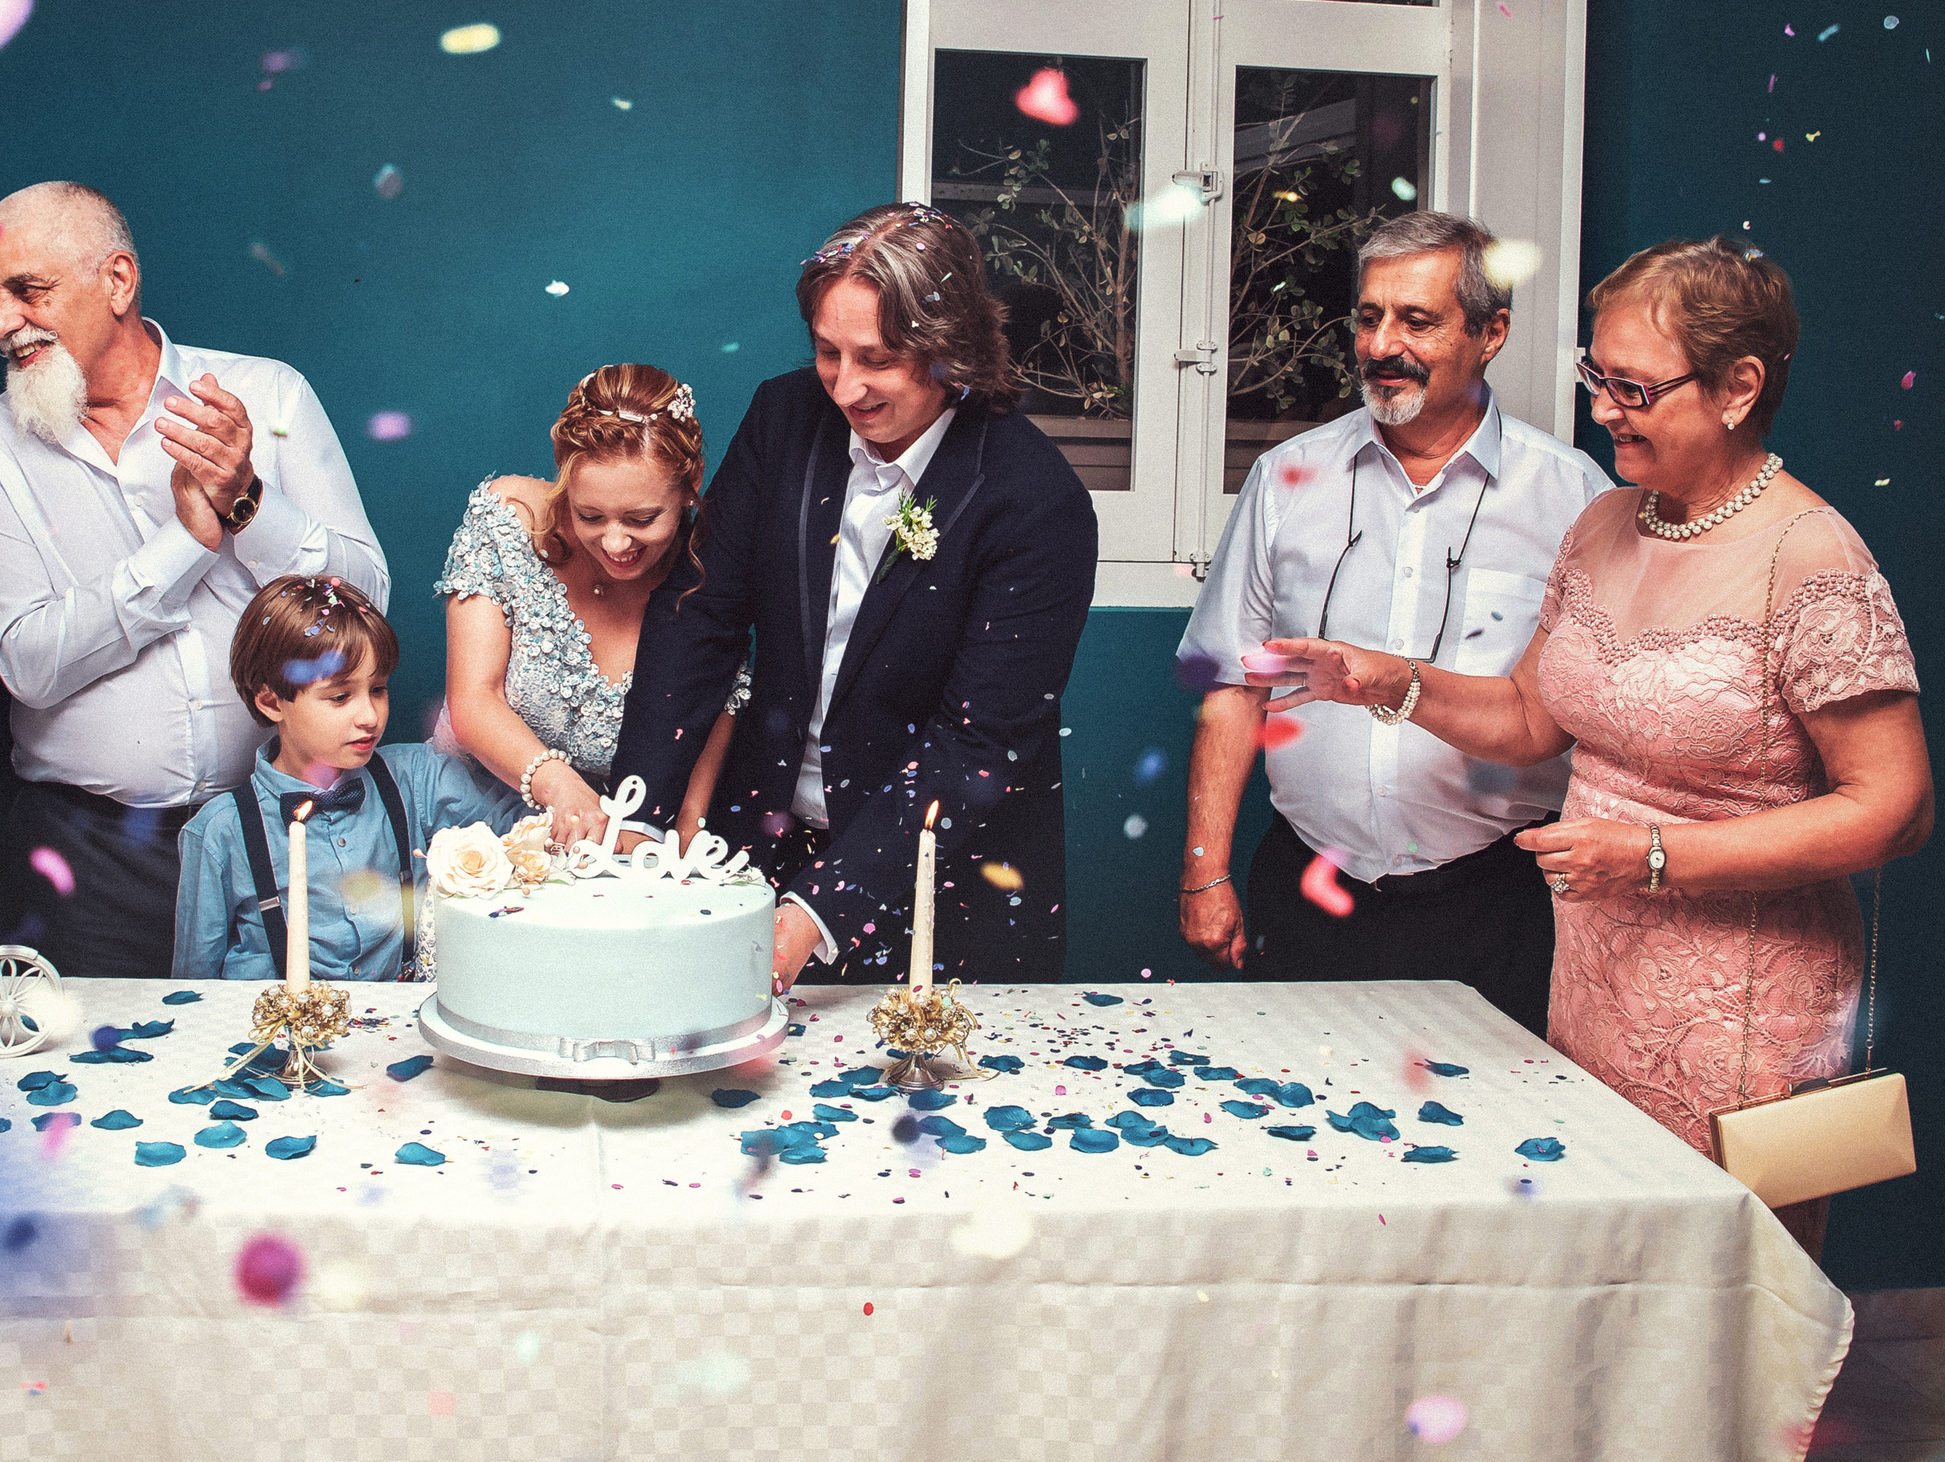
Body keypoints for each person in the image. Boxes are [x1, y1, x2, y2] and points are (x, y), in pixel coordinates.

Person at [1252, 236, 1930, 1256]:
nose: (1604, 408)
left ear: (1738, 385)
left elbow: (1896, 806)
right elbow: (1531, 719)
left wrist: (1657, 854)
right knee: (1604, 1268)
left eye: (1633, 387)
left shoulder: (1814, 559)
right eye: (1593, 377)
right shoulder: (1606, 522)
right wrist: (1392, 682)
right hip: (1592, 969)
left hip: (1742, 997)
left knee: (1725, 1286)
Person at [610, 202, 1099, 986]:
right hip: (757, 849)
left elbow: (975, 748)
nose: (846, 387)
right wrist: (635, 816)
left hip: (949, 900)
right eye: (828, 352)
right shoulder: (784, 416)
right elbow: (699, 613)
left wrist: (818, 910)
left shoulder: (1037, 502)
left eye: (878, 358)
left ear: (954, 350)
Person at [1174, 211, 1611, 1035]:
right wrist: (1205, 874)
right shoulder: (1286, 478)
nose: (1382, 343)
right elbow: (1235, 684)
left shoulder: (1573, 497)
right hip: (1308, 893)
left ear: (1491, 333)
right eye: (1369, 316)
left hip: (1492, 906)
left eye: (1416, 320)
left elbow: (1582, 718)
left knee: (1486, 1150)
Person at [0, 182, 387, 978]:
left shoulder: (268, 394)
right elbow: (30, 665)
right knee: (85, 1093)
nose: (0, 322)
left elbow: (367, 608)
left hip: (276, 833)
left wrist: (250, 500)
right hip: (87, 860)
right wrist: (185, 543)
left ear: (117, 281)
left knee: (285, 1078)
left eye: (27, 291)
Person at [436, 364, 743, 850]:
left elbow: (692, 801)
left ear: (691, 484)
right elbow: (473, 701)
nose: (617, 542)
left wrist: (667, 847)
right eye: (590, 515)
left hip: (619, 848)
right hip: (470, 821)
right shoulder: (507, 521)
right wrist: (563, 789)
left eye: (643, 518)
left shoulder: (711, 578)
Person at [173, 576, 526, 979]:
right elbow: (192, 991)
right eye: (340, 697)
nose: (370, 717)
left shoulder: (420, 779)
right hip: (277, 1036)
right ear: (272, 702)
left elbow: (530, 833)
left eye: (377, 689)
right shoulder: (220, 832)